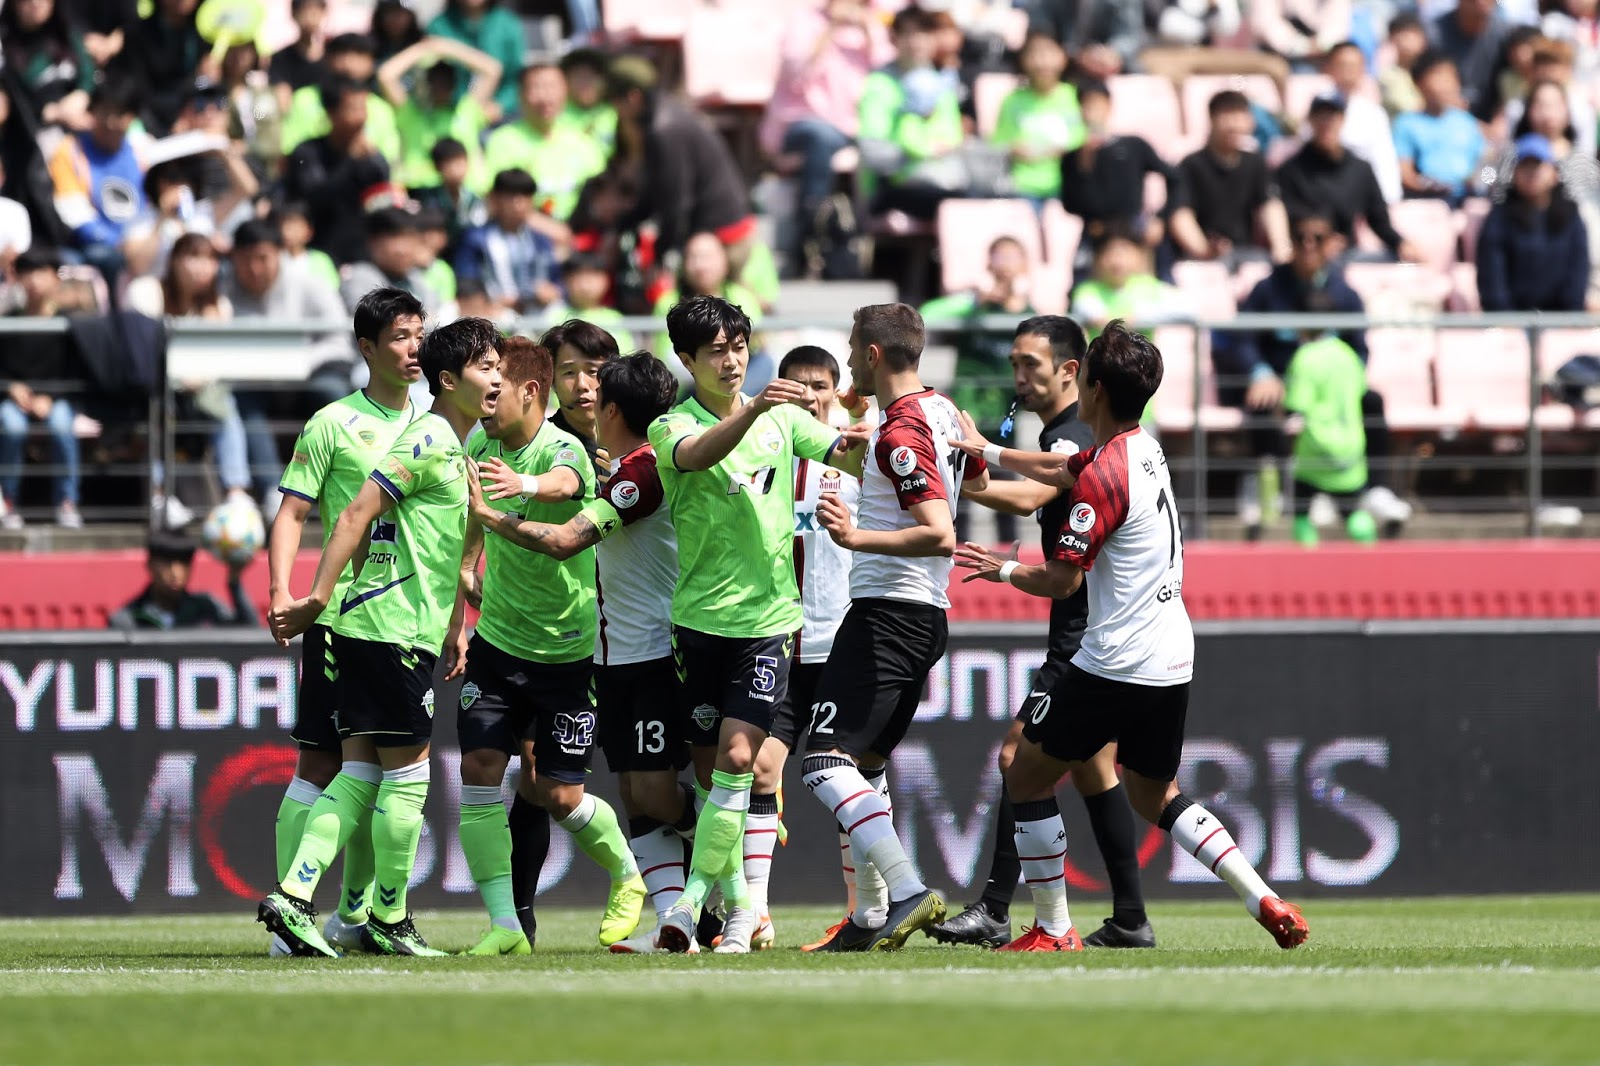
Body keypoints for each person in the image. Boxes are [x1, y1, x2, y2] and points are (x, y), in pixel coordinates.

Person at [950, 321, 1310, 953]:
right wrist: (990, 449)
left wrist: (1000, 568)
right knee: (1153, 793)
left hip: (1113, 660)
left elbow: (1062, 582)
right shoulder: (1142, 449)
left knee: (1025, 775)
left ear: (1091, 388)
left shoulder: (1101, 480)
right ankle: (1262, 896)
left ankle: (1053, 929)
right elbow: (1061, 467)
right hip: (1172, 655)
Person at [260, 316, 502, 958]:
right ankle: (382, 918)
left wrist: (458, 619)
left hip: (393, 624)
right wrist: (311, 596)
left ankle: (306, 900)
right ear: (450, 380)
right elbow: (353, 513)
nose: (498, 379)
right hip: (385, 627)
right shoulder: (424, 440)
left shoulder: (451, 445)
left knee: (361, 770)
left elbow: (445, 548)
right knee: (401, 775)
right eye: (486, 368)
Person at [448, 352, 692, 954]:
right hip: (497, 642)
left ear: (528, 392)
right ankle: (505, 926)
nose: (486, 398)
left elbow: (570, 488)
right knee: (479, 769)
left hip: (569, 649)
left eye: (496, 388)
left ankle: (633, 872)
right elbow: (470, 529)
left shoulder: (565, 448)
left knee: (556, 794)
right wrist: (462, 604)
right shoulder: (483, 438)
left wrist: (520, 490)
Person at [647, 295, 865, 955]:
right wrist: (758, 413)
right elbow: (698, 456)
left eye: (739, 345)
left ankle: (699, 908)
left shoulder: (781, 421)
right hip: (696, 625)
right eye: (716, 349)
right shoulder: (670, 427)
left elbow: (847, 457)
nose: (732, 358)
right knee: (717, 780)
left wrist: (872, 427)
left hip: (767, 622)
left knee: (743, 759)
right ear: (687, 360)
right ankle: (738, 906)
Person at [933, 314, 1154, 950]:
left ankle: (998, 909)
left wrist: (973, 472)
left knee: (1016, 756)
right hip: (1091, 623)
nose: (1019, 376)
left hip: (1082, 632)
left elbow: (1033, 498)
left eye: (1031, 364)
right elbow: (1029, 493)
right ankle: (1132, 918)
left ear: (1070, 370)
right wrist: (976, 477)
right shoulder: (1071, 432)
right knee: (1093, 770)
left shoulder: (1071, 436)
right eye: (1013, 364)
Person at [799, 303, 991, 953]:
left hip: (890, 612)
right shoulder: (938, 410)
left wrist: (857, 534)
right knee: (868, 763)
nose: (849, 357)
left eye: (854, 347)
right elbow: (970, 478)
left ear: (874, 354)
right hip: (924, 614)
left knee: (824, 763)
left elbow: (940, 532)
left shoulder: (902, 430)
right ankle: (868, 917)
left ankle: (907, 890)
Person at [266, 287, 423, 956]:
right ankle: (291, 915)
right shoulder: (333, 423)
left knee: (375, 770)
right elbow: (292, 515)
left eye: (420, 334)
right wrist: (283, 592)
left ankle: (351, 916)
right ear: (367, 348)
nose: (413, 347)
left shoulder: (437, 424)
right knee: (324, 762)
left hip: (408, 619)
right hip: (341, 619)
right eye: (399, 337)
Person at [1214, 211, 1411, 536]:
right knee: (1264, 406)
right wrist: (1261, 373)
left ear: (1332, 244)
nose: (1308, 246)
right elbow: (1243, 338)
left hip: (1331, 386)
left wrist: (1345, 381)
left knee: (1372, 402)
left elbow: (1359, 348)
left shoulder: (1346, 294)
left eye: (1317, 239)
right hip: (1279, 383)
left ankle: (1376, 488)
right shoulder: (1267, 289)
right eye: (1300, 238)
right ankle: (1270, 489)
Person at [758, 345, 863, 953]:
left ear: (835, 389)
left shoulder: (853, 461)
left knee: (849, 776)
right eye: (796, 386)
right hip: (780, 643)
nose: (809, 395)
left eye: (820, 385)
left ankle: (862, 910)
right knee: (761, 768)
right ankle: (757, 914)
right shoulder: (766, 456)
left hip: (840, 645)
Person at [760, 0, 892, 252]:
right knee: (819, 137)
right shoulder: (804, 20)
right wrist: (831, 28)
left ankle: (863, 232)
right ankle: (811, 223)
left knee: (882, 146)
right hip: (801, 122)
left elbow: (888, 74)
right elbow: (797, 74)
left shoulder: (872, 22)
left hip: (857, 126)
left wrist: (868, 30)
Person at [1275, 92, 1420, 261]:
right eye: (1320, 116)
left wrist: (1400, 243)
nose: (1326, 123)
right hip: (1304, 255)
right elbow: (1288, 219)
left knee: (1395, 260)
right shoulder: (1291, 170)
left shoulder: (1360, 169)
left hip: (1349, 254)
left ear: (1342, 120)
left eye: (1332, 116)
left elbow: (1378, 220)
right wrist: (1318, 244)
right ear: (1311, 121)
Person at [856, 6, 967, 221]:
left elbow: (952, 138)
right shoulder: (878, 84)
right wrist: (919, 153)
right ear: (893, 38)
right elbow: (872, 151)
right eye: (907, 33)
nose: (916, 41)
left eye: (923, 33)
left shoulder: (941, 83)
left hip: (941, 180)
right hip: (891, 186)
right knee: (954, 204)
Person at [1, 247, 83, 529]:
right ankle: (7, 501)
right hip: (15, 400)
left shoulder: (70, 323)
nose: (34, 280)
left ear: (55, 278)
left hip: (57, 399)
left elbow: (76, 372)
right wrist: (11, 388)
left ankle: (67, 502)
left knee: (62, 425)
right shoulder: (7, 321)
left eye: (41, 272)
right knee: (11, 426)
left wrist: (51, 396)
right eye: (26, 273)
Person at [1059, 80, 1186, 262]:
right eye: (1086, 105)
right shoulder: (1073, 157)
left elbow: (1175, 178)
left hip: (1134, 229)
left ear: (1109, 106)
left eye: (1097, 104)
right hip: (1096, 232)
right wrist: (1084, 166)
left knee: (1161, 275)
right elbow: (1071, 206)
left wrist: (1160, 218)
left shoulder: (1133, 145)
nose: (1092, 111)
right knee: (1081, 282)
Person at [47, 77, 150, 285]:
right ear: (92, 112)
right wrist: (118, 242)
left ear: (133, 117)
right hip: (93, 247)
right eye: (105, 111)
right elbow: (74, 213)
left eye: (119, 114)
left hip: (142, 242)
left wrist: (139, 243)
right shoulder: (70, 150)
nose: (111, 122)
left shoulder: (144, 149)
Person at [282, 77, 394, 267]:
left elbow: (383, 196)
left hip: (362, 258)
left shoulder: (370, 156)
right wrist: (350, 162)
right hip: (317, 255)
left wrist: (372, 161)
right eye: (352, 109)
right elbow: (315, 197)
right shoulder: (307, 152)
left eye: (363, 109)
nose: (360, 117)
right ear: (331, 113)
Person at [1173, 90, 1292, 266]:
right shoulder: (1191, 165)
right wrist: (1204, 250)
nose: (1234, 125)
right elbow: (1181, 214)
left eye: (1240, 117)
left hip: (1247, 254)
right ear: (1212, 119)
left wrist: (1281, 248)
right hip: (1203, 258)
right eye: (1227, 117)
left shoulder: (1256, 162)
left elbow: (1270, 204)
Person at [1283, 334, 1379, 547]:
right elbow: (1361, 390)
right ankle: (1374, 559)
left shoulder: (1305, 358)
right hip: (1349, 445)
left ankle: (1307, 565)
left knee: (1301, 514)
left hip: (1314, 446)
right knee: (1354, 513)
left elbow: (1297, 403)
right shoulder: (1347, 354)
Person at [483, 64, 607, 228]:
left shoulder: (584, 141)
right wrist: (554, 231)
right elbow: (497, 201)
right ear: (521, 94)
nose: (545, 97)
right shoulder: (502, 141)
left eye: (551, 87)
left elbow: (602, 195)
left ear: (565, 91)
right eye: (536, 88)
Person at [1476, 133, 1590, 312]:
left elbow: (1578, 273)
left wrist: (1568, 317)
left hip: (1561, 323)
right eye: (1524, 166)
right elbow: (1492, 276)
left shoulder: (1570, 216)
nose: (1531, 173)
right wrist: (1505, 319)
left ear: (1554, 173)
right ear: (1514, 174)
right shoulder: (1500, 216)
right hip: (1511, 324)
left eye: (1537, 166)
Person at [378, 35, 500, 194]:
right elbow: (386, 75)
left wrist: (448, 48)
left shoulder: (468, 110)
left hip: (469, 193)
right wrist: (423, 49)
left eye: (446, 78)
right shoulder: (411, 114)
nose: (440, 85)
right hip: (420, 193)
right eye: (434, 78)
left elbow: (492, 69)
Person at [455, 167, 562, 314]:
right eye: (511, 197)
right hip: (494, 316)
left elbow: (556, 281)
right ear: (495, 199)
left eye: (525, 196)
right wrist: (493, 302)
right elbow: (467, 283)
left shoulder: (540, 240)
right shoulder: (475, 239)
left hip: (538, 314)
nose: (519, 204)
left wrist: (550, 291)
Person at [279, 33, 400, 164]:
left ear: (371, 63)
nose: (348, 63)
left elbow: (389, 159)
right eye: (342, 54)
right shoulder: (305, 99)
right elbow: (291, 150)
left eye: (358, 55)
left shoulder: (381, 109)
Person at [994, 33, 1084, 206]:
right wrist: (1016, 149)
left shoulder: (1073, 96)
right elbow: (1001, 141)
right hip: (1021, 186)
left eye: (1049, 53)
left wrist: (1055, 151)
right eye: (1035, 54)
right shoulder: (1013, 100)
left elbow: (1080, 138)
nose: (1042, 62)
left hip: (1067, 185)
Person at [109, 528, 259, 629]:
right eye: (167, 562)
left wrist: (234, 581)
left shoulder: (207, 607)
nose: (176, 572)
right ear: (150, 565)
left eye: (184, 563)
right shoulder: (127, 619)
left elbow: (250, 636)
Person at [1393, 52, 1488, 204]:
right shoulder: (1406, 123)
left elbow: (1486, 162)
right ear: (1419, 83)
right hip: (1427, 203)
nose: (1447, 84)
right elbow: (1404, 172)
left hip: (1468, 202)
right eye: (1439, 76)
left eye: (1451, 77)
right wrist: (1425, 185)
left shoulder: (1467, 121)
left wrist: (1481, 183)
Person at [1071, 227, 1190, 339]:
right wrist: (1122, 322)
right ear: (1098, 258)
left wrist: (1140, 317)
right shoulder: (1088, 290)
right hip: (1101, 358)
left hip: (1142, 359)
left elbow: (1188, 309)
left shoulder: (1149, 286)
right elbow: (1089, 311)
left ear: (1138, 255)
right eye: (1110, 253)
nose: (1117, 261)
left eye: (1124, 253)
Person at [1321, 40, 1402, 204]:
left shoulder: (1374, 114)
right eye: (1342, 64)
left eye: (1353, 65)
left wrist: (1387, 199)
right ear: (1329, 67)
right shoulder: (1316, 106)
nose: (1348, 71)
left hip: (1360, 195)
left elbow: (1384, 160)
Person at [426, 0, 526, 122]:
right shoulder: (439, 26)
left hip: (501, 118)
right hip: (451, 116)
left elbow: (517, 78)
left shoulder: (508, 25)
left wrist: (500, 105)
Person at [543, 318, 622, 465]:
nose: (582, 384)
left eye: (592, 371)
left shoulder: (636, 440)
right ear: (551, 381)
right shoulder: (543, 447)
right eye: (568, 373)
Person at [340, 208, 442, 314]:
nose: (402, 250)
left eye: (409, 237)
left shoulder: (417, 280)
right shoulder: (360, 278)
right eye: (394, 237)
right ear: (373, 242)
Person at [1426, 0, 1509, 121]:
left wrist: (1501, 116)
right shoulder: (1433, 33)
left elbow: (1513, 84)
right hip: (1445, 116)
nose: (1481, 2)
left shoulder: (1505, 35)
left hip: (1491, 119)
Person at [414, 138, 489, 260]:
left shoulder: (474, 200)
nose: (457, 170)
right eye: (450, 164)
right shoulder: (427, 197)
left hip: (465, 255)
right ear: (438, 167)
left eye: (460, 163)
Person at [546, 253, 631, 351]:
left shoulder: (615, 318)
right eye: (579, 278)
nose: (585, 286)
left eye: (590, 279)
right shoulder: (553, 314)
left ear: (606, 281)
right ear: (566, 280)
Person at [560, 48, 618, 152]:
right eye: (579, 77)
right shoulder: (555, 114)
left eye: (590, 77)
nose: (585, 84)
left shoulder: (617, 112)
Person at [268, 0, 329, 94]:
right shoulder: (281, 59)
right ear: (294, 13)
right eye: (305, 8)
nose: (310, 15)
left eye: (315, 8)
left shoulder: (333, 55)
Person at [1379, 12, 1427, 117]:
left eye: (1416, 33)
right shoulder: (1387, 76)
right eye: (1406, 34)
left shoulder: (1431, 71)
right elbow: (1408, 107)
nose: (1411, 39)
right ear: (1392, 38)